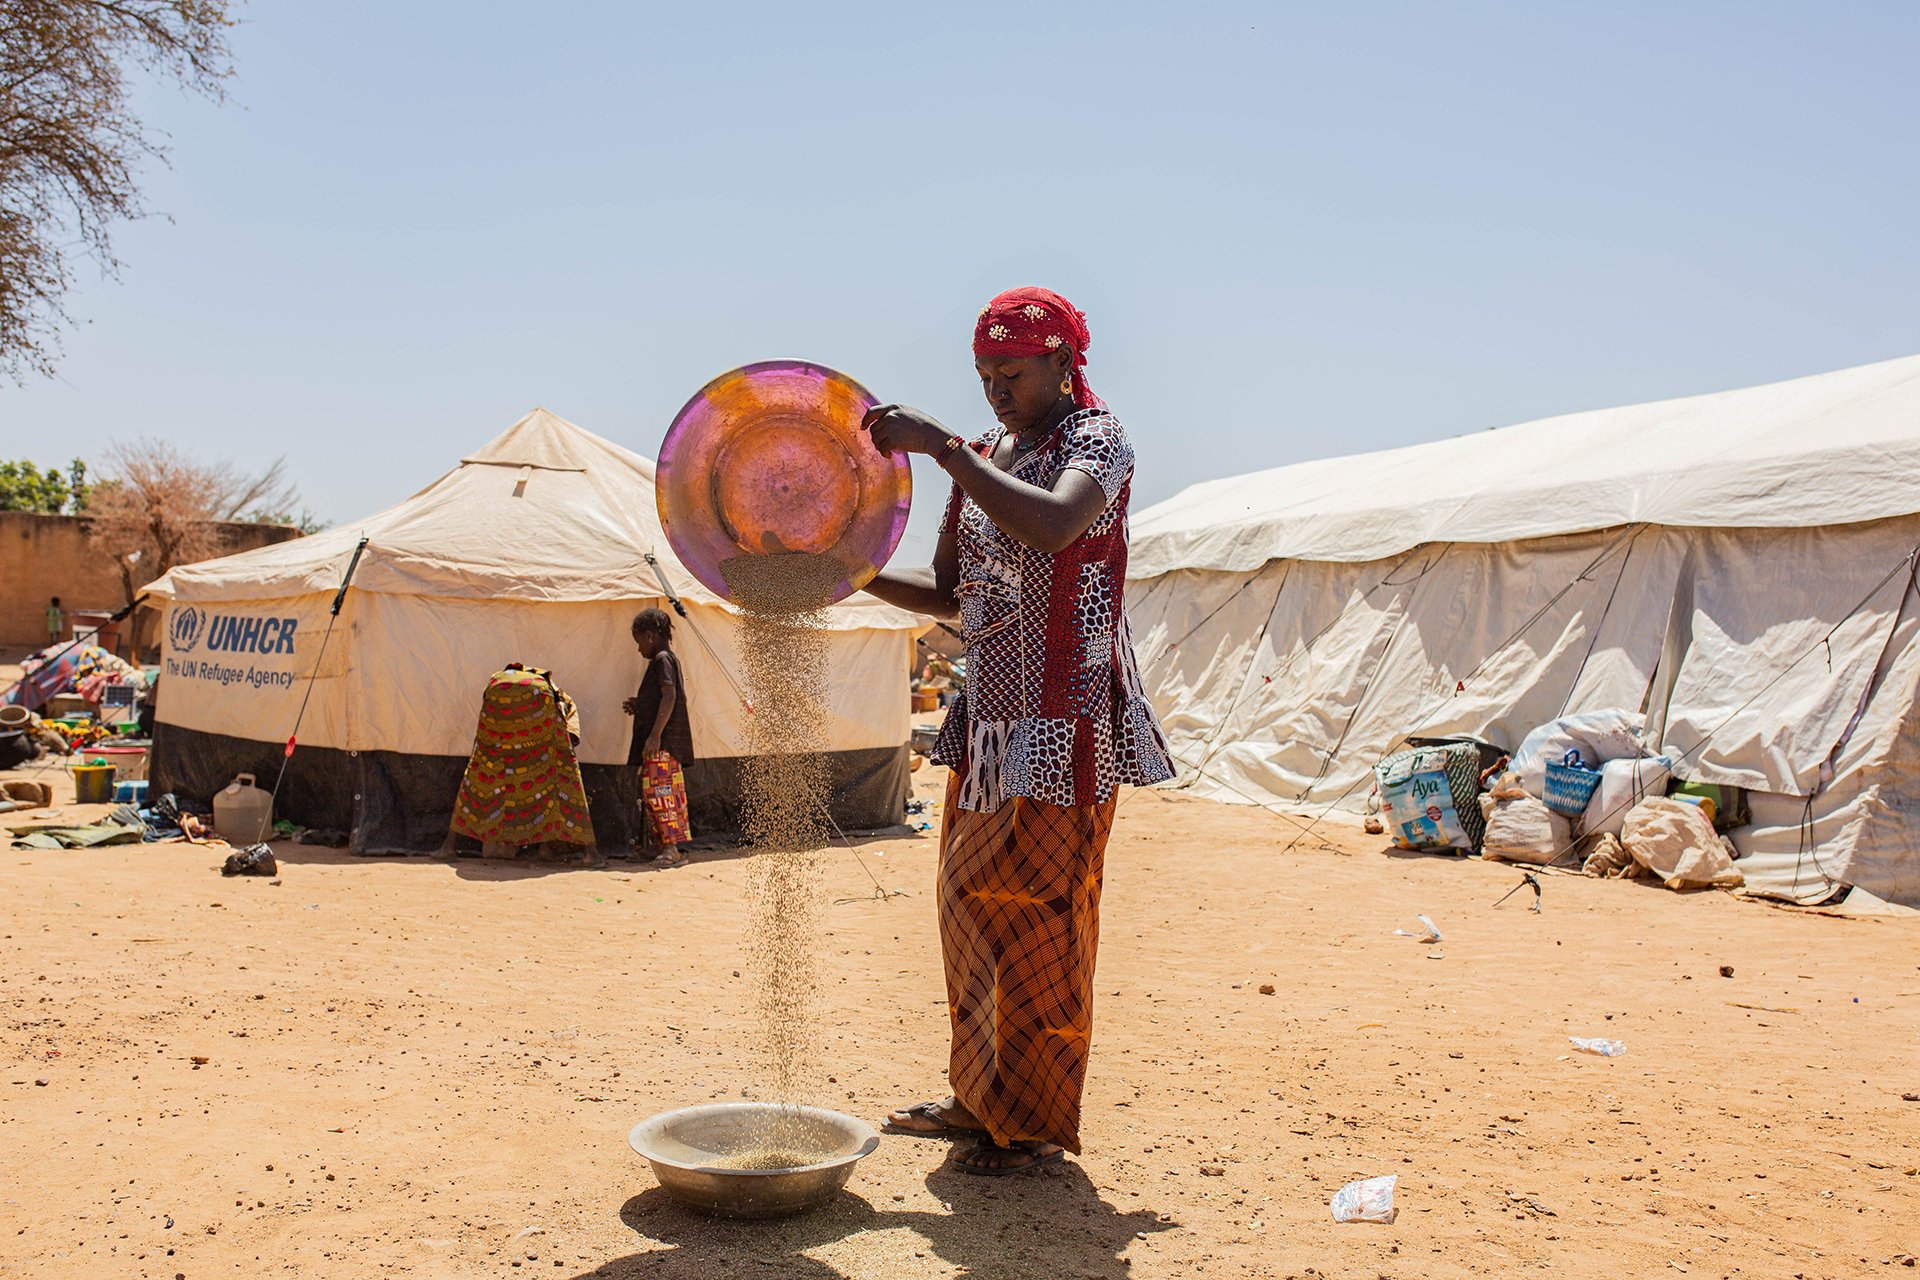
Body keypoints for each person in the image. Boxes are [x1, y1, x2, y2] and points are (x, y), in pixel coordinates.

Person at [860, 286, 1174, 1176]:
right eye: (985, 375)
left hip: (1064, 716)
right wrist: (852, 569)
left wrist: (947, 451)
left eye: (1012, 373)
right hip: (993, 721)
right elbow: (952, 590)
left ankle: (1029, 1117)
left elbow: (1055, 523)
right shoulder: (993, 454)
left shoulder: (1095, 442)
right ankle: (976, 1098)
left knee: (1042, 915)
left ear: (1062, 364)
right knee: (967, 908)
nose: (997, 390)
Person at [450, 663, 595, 855]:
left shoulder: (508, 677)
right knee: (568, 780)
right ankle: (590, 854)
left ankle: (448, 848)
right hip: (537, 696)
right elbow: (570, 741)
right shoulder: (564, 700)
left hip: (495, 689)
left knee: (477, 774)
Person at [625, 608, 695, 867]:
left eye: (639, 642)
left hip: (664, 745)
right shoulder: (663, 660)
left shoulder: (663, 659)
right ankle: (659, 845)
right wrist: (640, 704)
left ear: (650, 636)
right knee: (653, 793)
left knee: (663, 792)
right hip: (660, 744)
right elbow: (659, 698)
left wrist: (655, 736)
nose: (639, 649)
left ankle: (671, 848)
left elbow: (669, 696)